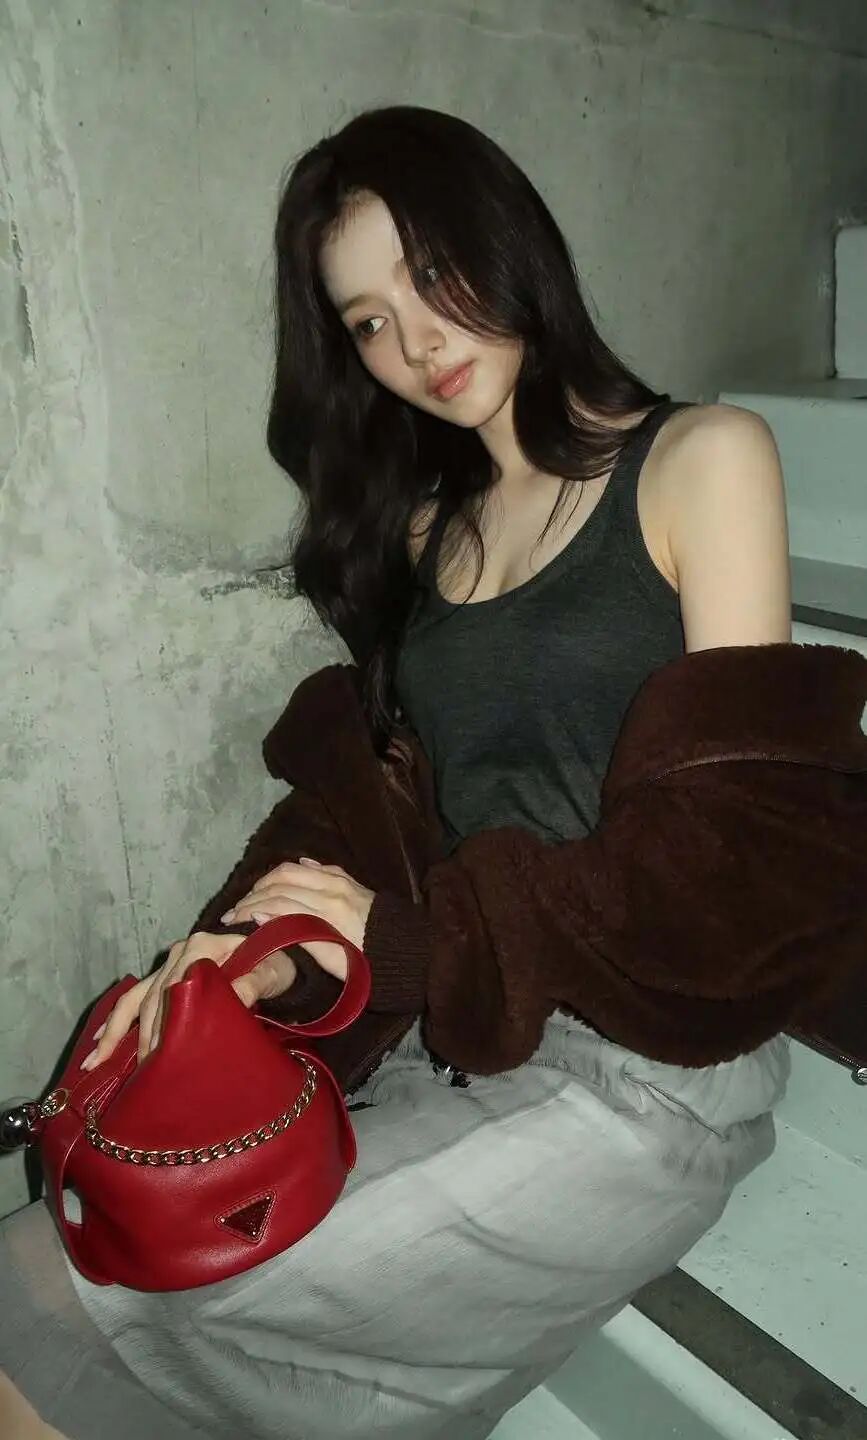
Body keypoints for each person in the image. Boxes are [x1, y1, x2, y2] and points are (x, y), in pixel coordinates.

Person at [1, 104, 863, 1440]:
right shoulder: (422, 532)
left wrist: (410, 940)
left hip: (657, 1066)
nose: (412, 345)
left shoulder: (702, 461)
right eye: (366, 320)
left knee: (68, 1288)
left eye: (430, 274)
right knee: (76, 1250)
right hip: (454, 1039)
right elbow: (377, 829)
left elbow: (734, 866)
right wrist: (244, 959)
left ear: (508, 239)